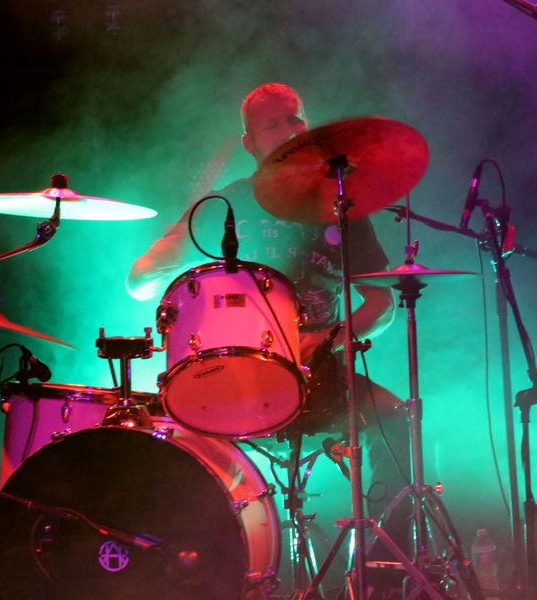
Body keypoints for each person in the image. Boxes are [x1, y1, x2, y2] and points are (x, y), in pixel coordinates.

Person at [127, 83, 412, 594]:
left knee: (397, 424)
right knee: (176, 461)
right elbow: (139, 279)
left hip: (319, 376)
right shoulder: (230, 203)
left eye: (295, 119)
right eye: (273, 124)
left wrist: (329, 339)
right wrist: (165, 253)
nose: (289, 130)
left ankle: (380, 579)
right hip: (230, 376)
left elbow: (382, 303)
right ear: (249, 143)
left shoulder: (342, 204)